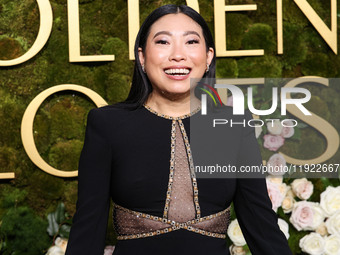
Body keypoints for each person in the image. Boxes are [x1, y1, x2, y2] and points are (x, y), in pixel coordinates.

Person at [65, 4, 293, 255]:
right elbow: (88, 228)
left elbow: (260, 222)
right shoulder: (107, 124)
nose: (178, 55)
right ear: (141, 57)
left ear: (208, 57)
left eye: (191, 42)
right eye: (163, 42)